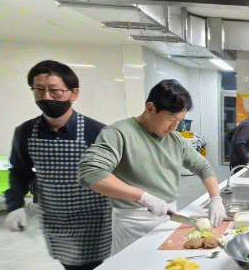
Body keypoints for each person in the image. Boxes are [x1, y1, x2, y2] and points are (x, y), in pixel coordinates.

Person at [78, 79, 226, 255]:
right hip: (134, 222)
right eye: (171, 119)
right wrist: (143, 197)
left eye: (179, 121)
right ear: (150, 108)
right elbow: (91, 173)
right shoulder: (119, 133)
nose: (174, 127)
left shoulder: (175, 139)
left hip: (169, 216)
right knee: (135, 268)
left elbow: (203, 166)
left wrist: (216, 198)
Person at [4, 60, 112, 270]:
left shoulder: (97, 131)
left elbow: (115, 174)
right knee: (73, 268)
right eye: (39, 90)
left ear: (74, 93)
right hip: (55, 219)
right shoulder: (25, 132)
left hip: (93, 219)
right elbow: (20, 171)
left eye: (54, 91)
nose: (46, 97)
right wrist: (15, 205)